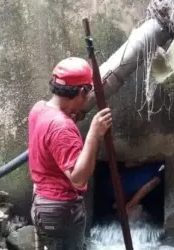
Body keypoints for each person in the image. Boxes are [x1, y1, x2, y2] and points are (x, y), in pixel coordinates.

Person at [29, 57, 112, 250]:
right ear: (81, 92)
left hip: (42, 202)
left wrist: (69, 114)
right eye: (87, 91)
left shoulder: (39, 109)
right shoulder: (62, 128)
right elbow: (78, 179)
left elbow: (51, 143)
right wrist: (94, 134)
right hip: (60, 210)